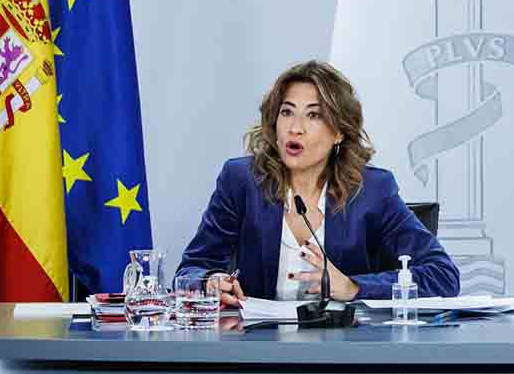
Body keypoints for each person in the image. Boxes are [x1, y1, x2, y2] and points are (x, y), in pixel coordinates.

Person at [177, 60, 460, 303]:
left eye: (313, 115)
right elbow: (191, 270)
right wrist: (209, 282)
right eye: (287, 112)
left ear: (339, 132)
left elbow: (443, 275)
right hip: (257, 354)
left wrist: (354, 287)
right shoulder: (242, 181)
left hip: (342, 356)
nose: (295, 128)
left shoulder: (373, 190)